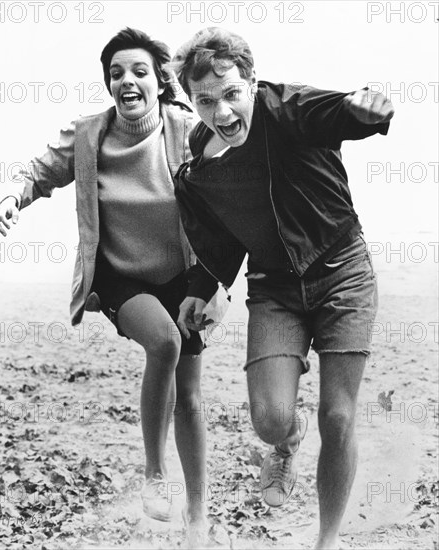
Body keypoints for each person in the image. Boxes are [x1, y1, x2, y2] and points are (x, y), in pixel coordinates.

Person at [0, 27, 209, 548]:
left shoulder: (187, 130)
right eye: (116, 73)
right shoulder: (89, 135)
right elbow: (43, 170)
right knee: (164, 342)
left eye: (138, 71)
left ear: (158, 80)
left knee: (191, 399)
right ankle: (155, 474)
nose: (126, 81)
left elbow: (235, 168)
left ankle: (198, 514)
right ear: (108, 84)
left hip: (186, 274)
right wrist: (12, 199)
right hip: (119, 274)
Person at [171, 27, 394, 550]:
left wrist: (367, 111)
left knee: (337, 416)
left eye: (231, 95)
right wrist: (202, 285)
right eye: (205, 101)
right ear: (191, 100)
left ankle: (326, 540)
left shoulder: (287, 108)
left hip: (342, 273)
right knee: (270, 420)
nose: (222, 113)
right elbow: (220, 240)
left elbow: (334, 112)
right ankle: (286, 444)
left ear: (250, 82)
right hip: (274, 289)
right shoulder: (199, 164)